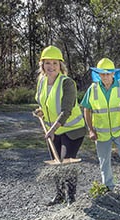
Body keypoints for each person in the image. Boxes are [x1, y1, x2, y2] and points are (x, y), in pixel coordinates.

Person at [35, 45, 86, 206]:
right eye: (47, 63)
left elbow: (66, 111)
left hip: (72, 129)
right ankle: (59, 195)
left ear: (61, 65)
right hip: (54, 130)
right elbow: (44, 102)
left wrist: (52, 129)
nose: (51, 67)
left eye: (55, 63)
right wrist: (40, 112)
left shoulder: (67, 83)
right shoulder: (42, 82)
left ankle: (71, 198)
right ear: (42, 65)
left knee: (66, 162)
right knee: (55, 162)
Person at [81, 58, 120, 197]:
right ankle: (108, 187)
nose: (105, 76)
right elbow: (87, 109)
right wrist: (91, 130)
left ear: (113, 74)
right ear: (98, 75)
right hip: (101, 134)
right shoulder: (92, 90)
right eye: (102, 73)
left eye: (108, 73)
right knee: (104, 160)